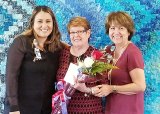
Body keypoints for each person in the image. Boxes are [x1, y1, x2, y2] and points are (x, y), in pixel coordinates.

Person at [4, 5, 66, 114]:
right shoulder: (21, 43)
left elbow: (72, 48)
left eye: (48, 21)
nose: (44, 25)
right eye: (40, 21)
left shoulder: (56, 47)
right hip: (20, 108)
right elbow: (11, 76)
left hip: (45, 109)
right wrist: (14, 107)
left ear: (53, 24)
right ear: (33, 24)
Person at [94, 11, 146, 114]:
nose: (116, 32)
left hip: (129, 109)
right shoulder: (109, 50)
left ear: (129, 32)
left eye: (121, 28)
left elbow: (140, 86)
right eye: (112, 28)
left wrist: (111, 88)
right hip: (112, 107)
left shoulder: (133, 53)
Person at [56, 16, 104, 113]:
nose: (76, 35)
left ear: (88, 33)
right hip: (64, 110)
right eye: (73, 32)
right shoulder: (62, 54)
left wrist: (86, 89)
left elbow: (104, 89)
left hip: (90, 110)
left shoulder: (97, 56)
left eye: (80, 32)